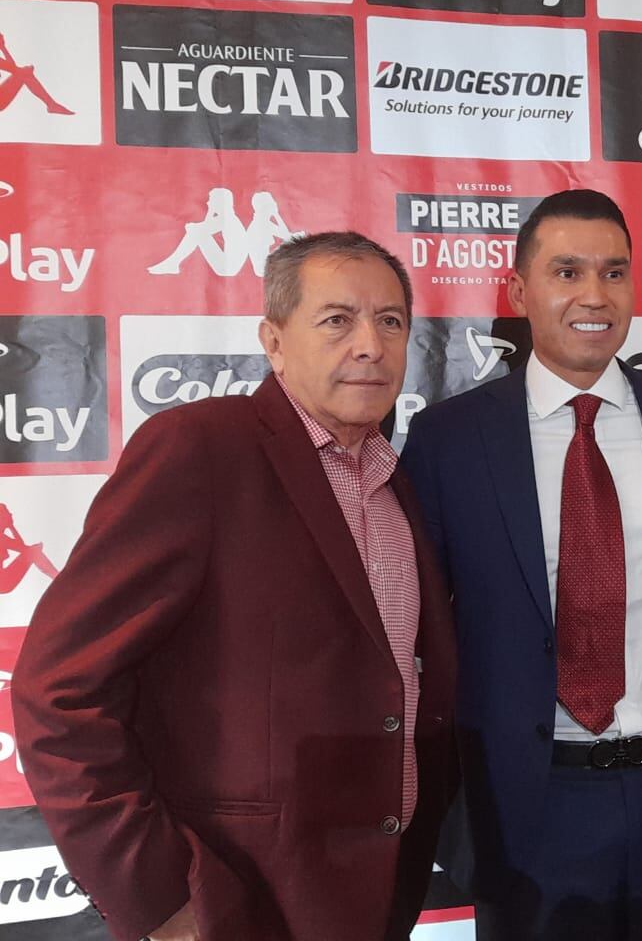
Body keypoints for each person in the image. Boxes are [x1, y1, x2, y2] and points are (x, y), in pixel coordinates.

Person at [12, 232, 457, 941]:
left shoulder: (393, 478)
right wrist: (157, 898)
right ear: (274, 341)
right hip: (237, 900)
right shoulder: (199, 451)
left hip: (379, 893)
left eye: (391, 320)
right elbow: (57, 689)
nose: (371, 344)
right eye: (337, 319)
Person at [400, 189, 642, 941]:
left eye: (614, 272)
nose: (595, 295)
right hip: (528, 803)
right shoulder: (450, 442)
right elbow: (415, 623)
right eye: (567, 272)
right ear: (520, 290)